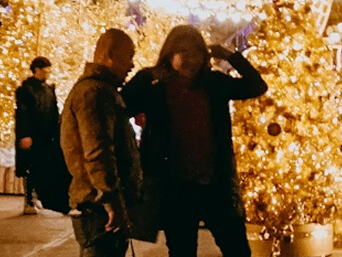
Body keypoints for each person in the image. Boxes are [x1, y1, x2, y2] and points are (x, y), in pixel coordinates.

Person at [124, 25, 268, 257]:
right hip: (175, 189)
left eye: (197, 53)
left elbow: (257, 86)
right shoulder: (154, 86)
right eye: (185, 52)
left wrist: (230, 56)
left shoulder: (213, 83)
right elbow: (119, 107)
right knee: (182, 251)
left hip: (215, 186)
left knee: (237, 250)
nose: (192, 59)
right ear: (170, 54)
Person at [62, 28, 150, 257]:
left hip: (99, 207)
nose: (131, 65)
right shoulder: (95, 93)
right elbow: (98, 152)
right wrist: (112, 202)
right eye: (128, 56)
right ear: (110, 54)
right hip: (99, 210)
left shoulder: (101, 90)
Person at [17, 56, 67, 216]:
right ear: (37, 70)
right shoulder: (26, 90)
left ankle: (40, 196)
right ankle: (28, 200)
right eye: (45, 70)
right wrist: (25, 134)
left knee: (44, 166)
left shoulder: (49, 89)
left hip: (47, 134)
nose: (48, 73)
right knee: (30, 167)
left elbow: (54, 111)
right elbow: (23, 113)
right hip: (33, 134)